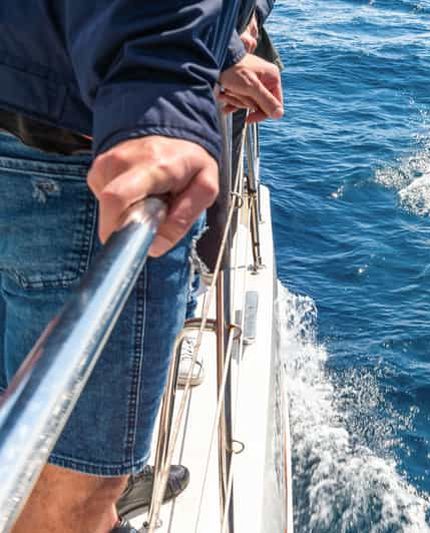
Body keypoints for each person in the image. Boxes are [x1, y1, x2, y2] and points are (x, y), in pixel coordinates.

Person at [0, 2, 282, 533]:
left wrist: (213, 50)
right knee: (70, 500)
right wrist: (161, 91)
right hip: (81, 160)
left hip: (27, 94)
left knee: (19, 403)